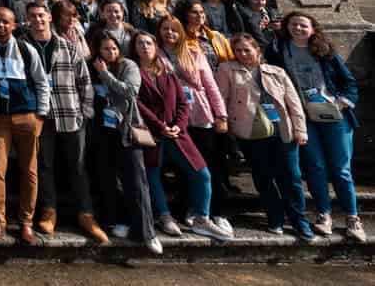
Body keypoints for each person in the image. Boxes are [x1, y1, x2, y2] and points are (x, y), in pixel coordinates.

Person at [270, 10, 364, 241]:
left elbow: (348, 82)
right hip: (304, 116)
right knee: (315, 167)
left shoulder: (324, 51)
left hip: (334, 116)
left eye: (303, 25)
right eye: (293, 24)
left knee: (341, 169)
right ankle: (324, 214)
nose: (298, 29)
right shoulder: (279, 50)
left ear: (313, 29)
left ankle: (352, 217)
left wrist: (341, 103)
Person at [133, 32, 231, 241]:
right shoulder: (133, 72)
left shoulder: (168, 73)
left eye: (149, 42)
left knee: (202, 173)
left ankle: (201, 217)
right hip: (152, 134)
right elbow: (137, 104)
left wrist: (178, 125)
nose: (145, 46)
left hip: (177, 133)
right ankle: (164, 215)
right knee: (153, 174)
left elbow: (182, 103)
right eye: (140, 43)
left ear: (156, 47)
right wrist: (160, 126)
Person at [217, 32, 312, 240]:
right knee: (263, 177)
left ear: (257, 50)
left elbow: (293, 102)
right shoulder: (227, 70)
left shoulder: (276, 71)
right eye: (238, 51)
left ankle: (299, 220)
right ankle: (275, 217)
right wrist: (225, 125)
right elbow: (221, 98)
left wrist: (300, 129)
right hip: (251, 131)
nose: (243, 54)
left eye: (247, 50)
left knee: (291, 177)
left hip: (282, 130)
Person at [24, 1, 106, 242]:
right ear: (27, 19)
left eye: (41, 15)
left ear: (49, 17)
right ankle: (49, 211)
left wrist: (86, 111)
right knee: (44, 165)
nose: (38, 20)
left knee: (78, 166)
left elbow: (84, 81)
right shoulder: (23, 47)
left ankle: (86, 214)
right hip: (41, 116)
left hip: (70, 113)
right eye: (33, 16)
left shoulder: (68, 48)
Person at [0, 6, 50, 244]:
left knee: (29, 171)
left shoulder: (26, 49)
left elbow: (41, 82)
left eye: (5, 22)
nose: (0, 25)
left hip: (26, 116)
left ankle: (26, 223)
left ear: (14, 25)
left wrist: (41, 114)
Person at [86, 32, 157, 253]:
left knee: (136, 180)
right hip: (102, 132)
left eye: (114, 48)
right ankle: (119, 221)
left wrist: (105, 75)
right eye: (106, 49)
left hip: (126, 130)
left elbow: (129, 92)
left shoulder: (128, 66)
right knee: (108, 179)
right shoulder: (91, 68)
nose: (111, 53)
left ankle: (147, 233)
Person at [157, 15, 232, 216]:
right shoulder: (154, 54)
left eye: (174, 29)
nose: (169, 33)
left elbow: (211, 85)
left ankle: (217, 212)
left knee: (211, 164)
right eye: (165, 29)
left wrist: (221, 115)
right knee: (183, 168)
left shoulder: (193, 52)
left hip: (200, 112)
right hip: (173, 117)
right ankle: (190, 208)